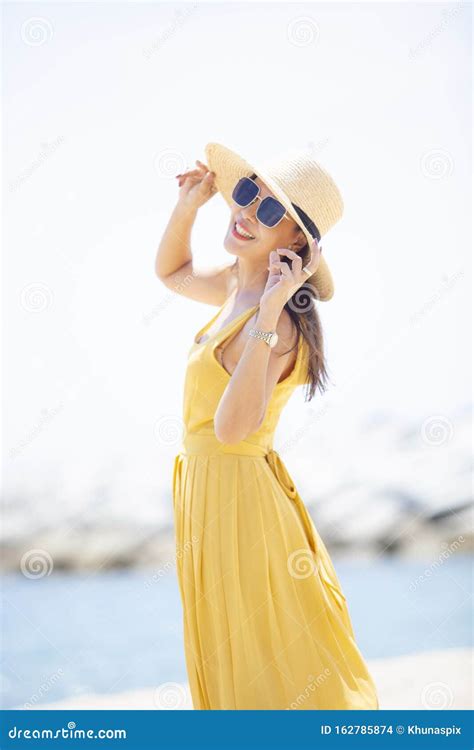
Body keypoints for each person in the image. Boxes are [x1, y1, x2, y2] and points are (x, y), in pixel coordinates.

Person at [155, 141, 379, 710]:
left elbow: (232, 430)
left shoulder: (281, 324)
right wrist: (189, 206)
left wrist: (271, 312)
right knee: (226, 642)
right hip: (206, 492)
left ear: (296, 242)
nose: (247, 212)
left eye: (269, 210)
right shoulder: (235, 284)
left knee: (261, 648)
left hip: (239, 500)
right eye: (249, 193)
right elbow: (173, 272)